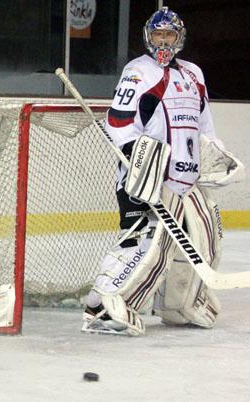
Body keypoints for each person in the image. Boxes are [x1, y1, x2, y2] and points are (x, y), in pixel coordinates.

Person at [81, 7, 244, 336]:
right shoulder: (138, 71)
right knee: (143, 244)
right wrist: (140, 161)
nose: (164, 41)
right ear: (148, 37)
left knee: (203, 242)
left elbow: (205, 127)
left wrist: (217, 156)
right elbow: (118, 121)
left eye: (169, 34)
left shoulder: (194, 74)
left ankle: (179, 305)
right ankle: (102, 308)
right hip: (147, 179)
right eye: (158, 34)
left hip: (187, 182)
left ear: (179, 37)